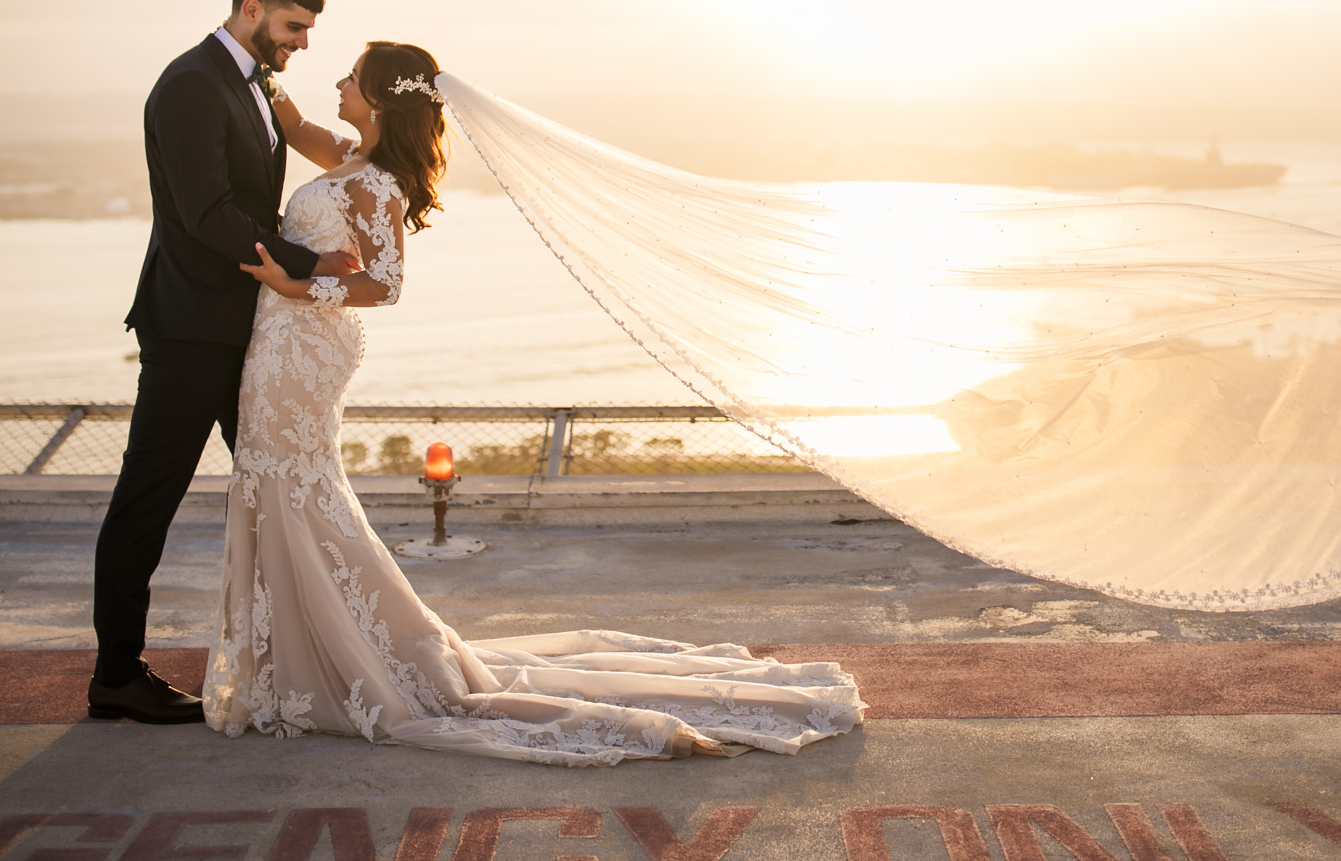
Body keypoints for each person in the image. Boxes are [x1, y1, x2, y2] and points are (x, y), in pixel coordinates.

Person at [204, 41, 863, 765]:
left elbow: (386, 283)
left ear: (383, 99)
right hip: (284, 341)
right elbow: (297, 127)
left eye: (351, 78)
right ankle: (293, 657)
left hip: (303, 345)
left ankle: (333, 659)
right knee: (282, 484)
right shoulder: (345, 153)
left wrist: (304, 288)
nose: (337, 80)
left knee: (294, 484)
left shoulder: (378, 183)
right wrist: (257, 69)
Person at [90, 0, 362, 725]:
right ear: (251, 8)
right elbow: (207, 214)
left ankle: (313, 656)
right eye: (293, 26)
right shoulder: (188, 86)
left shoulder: (255, 83)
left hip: (247, 332)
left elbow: (272, 173)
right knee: (148, 497)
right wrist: (310, 263)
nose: (303, 43)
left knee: (288, 489)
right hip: (190, 332)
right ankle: (116, 672)